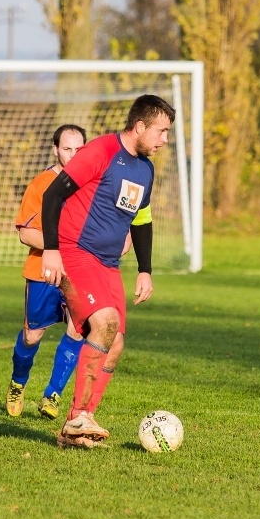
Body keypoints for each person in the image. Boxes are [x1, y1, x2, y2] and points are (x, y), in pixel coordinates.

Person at [40, 94, 175, 448]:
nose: (164, 140)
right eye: (161, 131)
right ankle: (78, 417)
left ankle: (79, 424)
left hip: (108, 264)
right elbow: (52, 196)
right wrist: (51, 250)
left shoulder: (145, 169)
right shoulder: (100, 151)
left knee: (115, 345)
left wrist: (145, 269)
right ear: (140, 126)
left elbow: (142, 220)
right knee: (104, 323)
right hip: (74, 252)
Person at [5, 124, 88, 420]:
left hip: (78, 274)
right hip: (42, 271)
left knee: (78, 329)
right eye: (67, 148)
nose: (74, 155)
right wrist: (62, 246)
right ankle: (17, 383)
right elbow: (26, 234)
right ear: (55, 149)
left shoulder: (92, 185)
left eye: (79, 149)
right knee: (32, 335)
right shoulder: (40, 185)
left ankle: (53, 394)